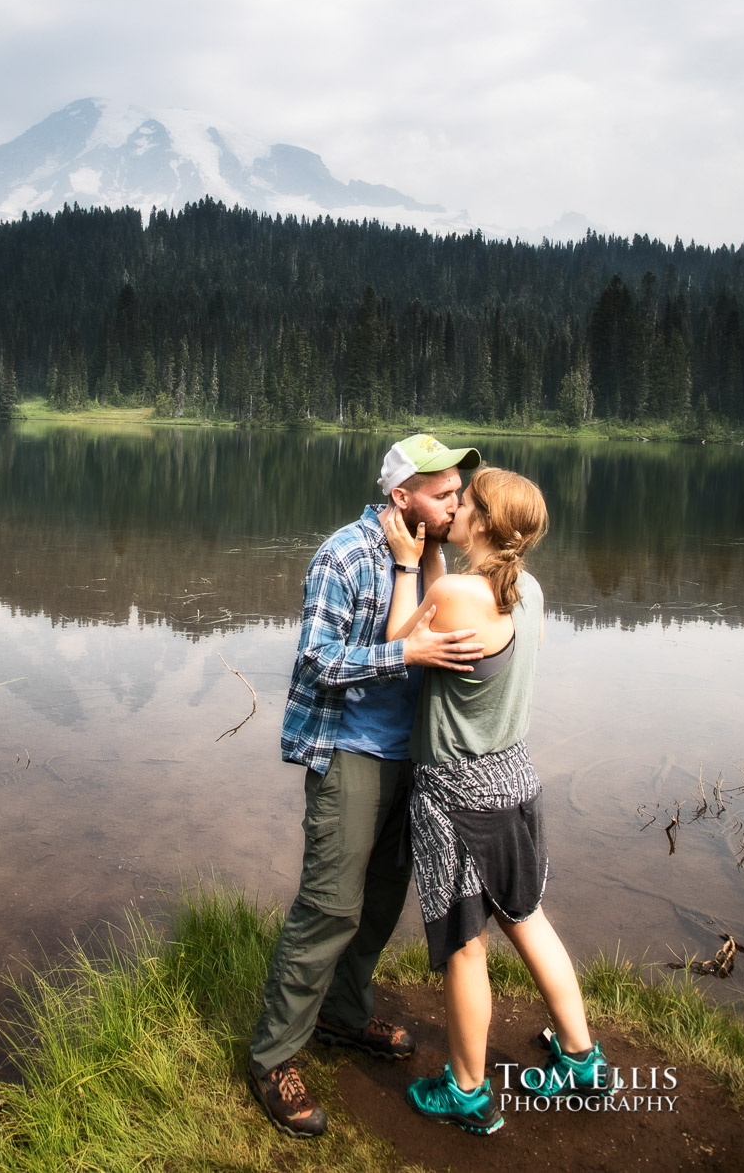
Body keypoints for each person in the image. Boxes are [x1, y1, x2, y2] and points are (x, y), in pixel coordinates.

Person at [247, 432, 483, 1139]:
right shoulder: (344, 554)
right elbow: (316, 662)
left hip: (412, 757)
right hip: (349, 751)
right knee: (329, 906)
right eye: (444, 495)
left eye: (460, 495)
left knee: (382, 896)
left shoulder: (427, 556)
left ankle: (343, 1015)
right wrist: (404, 650)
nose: (457, 504)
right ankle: (272, 1056)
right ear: (401, 496)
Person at [381, 465, 614, 1137]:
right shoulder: (528, 591)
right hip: (513, 783)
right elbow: (457, 611)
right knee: (526, 918)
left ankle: (468, 1091)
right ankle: (581, 1058)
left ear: (481, 520)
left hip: (456, 795)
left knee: (463, 947)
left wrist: (405, 564)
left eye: (465, 500)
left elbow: (402, 643)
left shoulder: (457, 592)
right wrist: (434, 557)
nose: (453, 504)